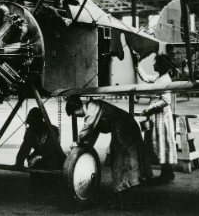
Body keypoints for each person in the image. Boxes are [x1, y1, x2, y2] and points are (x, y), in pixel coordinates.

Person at [65, 96, 153, 207]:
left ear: (77, 108)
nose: (76, 116)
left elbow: (87, 128)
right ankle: (126, 193)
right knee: (122, 161)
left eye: (74, 114)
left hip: (125, 127)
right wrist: (85, 146)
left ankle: (124, 198)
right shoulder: (92, 110)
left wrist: (77, 142)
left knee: (121, 161)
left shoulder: (92, 108)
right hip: (122, 127)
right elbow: (93, 133)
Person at [134, 53, 177, 184]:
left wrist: (149, 108)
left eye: (156, 63)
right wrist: (137, 64)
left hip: (161, 115)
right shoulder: (160, 78)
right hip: (157, 115)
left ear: (163, 66)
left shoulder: (165, 80)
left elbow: (166, 100)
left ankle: (166, 173)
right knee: (160, 143)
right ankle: (168, 172)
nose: (154, 65)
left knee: (162, 143)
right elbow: (146, 78)